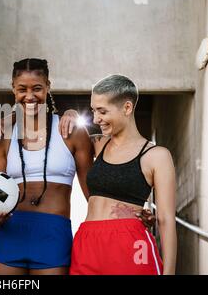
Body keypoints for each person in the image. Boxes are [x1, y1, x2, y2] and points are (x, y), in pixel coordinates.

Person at [0, 58, 94, 275]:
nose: (30, 96)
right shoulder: (4, 134)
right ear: (13, 89)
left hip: (53, 235)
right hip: (11, 232)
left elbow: (93, 193)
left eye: (37, 88)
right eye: (22, 89)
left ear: (48, 87)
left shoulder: (72, 132)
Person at [69, 75, 177, 275]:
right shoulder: (97, 143)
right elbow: (65, 137)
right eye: (93, 110)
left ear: (127, 108)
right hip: (87, 242)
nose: (95, 119)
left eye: (102, 111)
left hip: (130, 245)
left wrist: (169, 272)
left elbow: (166, 219)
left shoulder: (157, 156)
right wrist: (70, 113)